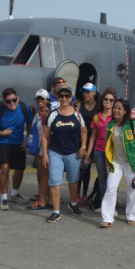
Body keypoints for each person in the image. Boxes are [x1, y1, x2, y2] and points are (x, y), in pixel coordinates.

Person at [41, 86, 87, 223]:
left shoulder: (77, 114)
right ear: (58, 98)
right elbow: (45, 135)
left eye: (67, 96)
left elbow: (84, 131)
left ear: (71, 97)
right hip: (56, 152)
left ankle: (73, 204)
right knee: (55, 181)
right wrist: (45, 154)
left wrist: (83, 147)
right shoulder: (52, 115)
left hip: (73, 152)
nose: (64, 98)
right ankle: (56, 211)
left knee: (73, 180)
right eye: (61, 96)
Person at [0, 88, 33, 211]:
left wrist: (26, 139)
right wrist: (0, 132)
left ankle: (14, 194)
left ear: (18, 99)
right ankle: (4, 198)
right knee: (5, 168)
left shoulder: (24, 108)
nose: (12, 103)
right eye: (8, 101)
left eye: (14, 100)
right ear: (4, 102)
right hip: (2, 142)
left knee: (20, 168)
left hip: (18, 143)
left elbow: (29, 122)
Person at [100, 99, 135, 227]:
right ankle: (107, 218)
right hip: (116, 163)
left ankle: (132, 216)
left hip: (130, 163)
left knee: (131, 191)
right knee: (110, 189)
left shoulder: (132, 124)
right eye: (115, 108)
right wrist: (107, 162)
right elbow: (108, 146)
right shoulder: (110, 125)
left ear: (125, 111)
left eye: (119, 108)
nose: (116, 110)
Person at [84, 88, 116, 210]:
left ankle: (112, 204)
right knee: (102, 180)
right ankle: (105, 205)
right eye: (106, 99)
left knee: (113, 179)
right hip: (99, 151)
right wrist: (88, 152)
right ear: (102, 101)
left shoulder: (116, 116)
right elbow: (93, 136)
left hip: (113, 152)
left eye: (111, 100)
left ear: (114, 102)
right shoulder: (97, 117)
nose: (108, 101)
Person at [26, 89, 53, 211]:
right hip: (38, 148)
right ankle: (49, 200)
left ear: (47, 100)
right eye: (38, 98)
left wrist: (45, 152)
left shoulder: (49, 114)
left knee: (44, 176)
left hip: (44, 149)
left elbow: (49, 134)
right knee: (42, 174)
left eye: (43, 98)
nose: (40, 101)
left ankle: (42, 202)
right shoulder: (37, 113)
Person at [76, 82, 98, 204]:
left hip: (94, 139)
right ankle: (77, 193)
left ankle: (85, 193)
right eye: (84, 92)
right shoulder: (79, 105)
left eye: (88, 92)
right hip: (81, 139)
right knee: (80, 168)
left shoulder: (98, 106)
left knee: (88, 167)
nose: (85, 94)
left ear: (94, 92)